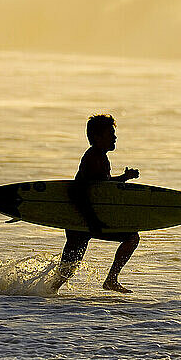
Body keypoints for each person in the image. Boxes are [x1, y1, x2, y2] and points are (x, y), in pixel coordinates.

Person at [51, 114, 140, 294]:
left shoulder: (99, 156)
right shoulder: (93, 158)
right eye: (111, 133)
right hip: (84, 219)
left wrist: (124, 178)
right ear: (98, 137)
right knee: (131, 237)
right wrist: (91, 220)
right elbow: (78, 192)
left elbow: (101, 186)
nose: (115, 137)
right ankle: (111, 280)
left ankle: (39, 294)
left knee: (67, 270)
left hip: (83, 220)